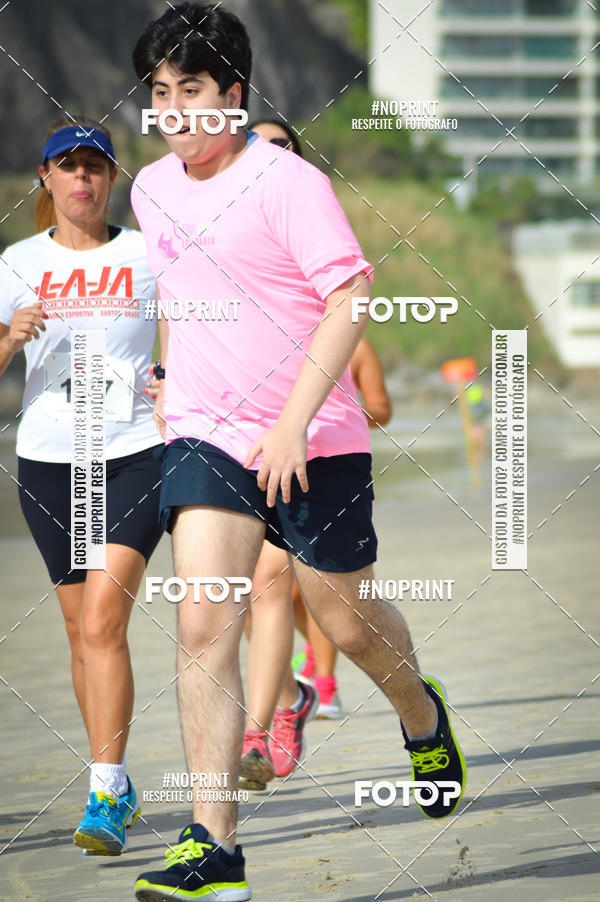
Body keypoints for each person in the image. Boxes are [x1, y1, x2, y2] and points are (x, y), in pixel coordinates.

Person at [130, 4, 466, 900]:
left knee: (348, 626)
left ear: (233, 94)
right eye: (160, 92)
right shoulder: (151, 188)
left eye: (191, 89)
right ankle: (212, 845)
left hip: (315, 438)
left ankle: (420, 713)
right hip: (207, 434)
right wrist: (167, 377)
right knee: (203, 620)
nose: (173, 110)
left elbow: (350, 299)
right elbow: (177, 295)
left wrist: (291, 422)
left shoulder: (286, 182)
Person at [0, 118, 163, 856]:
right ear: (46, 178)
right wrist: (10, 337)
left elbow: (191, 328)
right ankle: (114, 781)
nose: (82, 178)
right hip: (49, 458)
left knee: (102, 623)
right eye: (67, 167)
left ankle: (103, 793)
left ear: (111, 177)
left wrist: (174, 381)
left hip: (130, 452)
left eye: (94, 166)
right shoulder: (18, 263)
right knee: (79, 632)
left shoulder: (147, 254)